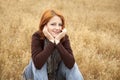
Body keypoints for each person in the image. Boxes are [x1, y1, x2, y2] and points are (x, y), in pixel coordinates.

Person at [22, 9, 84, 80]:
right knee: (39, 60)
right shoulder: (37, 36)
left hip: (56, 75)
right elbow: (38, 64)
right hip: (35, 75)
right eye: (53, 24)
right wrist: (51, 41)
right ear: (45, 25)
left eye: (60, 25)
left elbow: (71, 64)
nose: (57, 28)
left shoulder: (63, 37)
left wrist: (57, 42)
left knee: (70, 62)